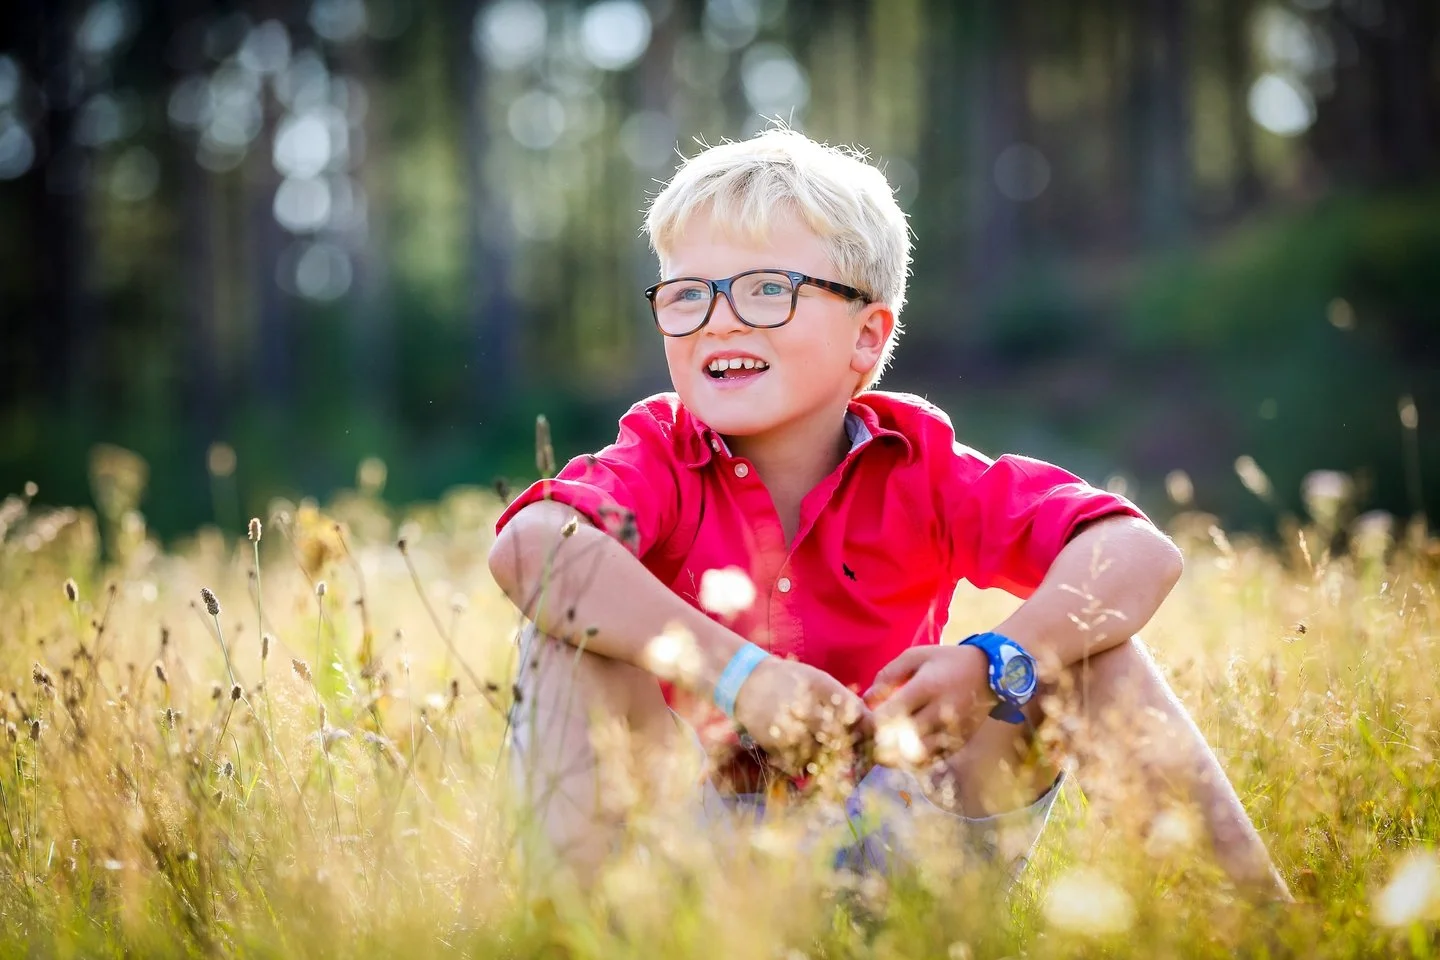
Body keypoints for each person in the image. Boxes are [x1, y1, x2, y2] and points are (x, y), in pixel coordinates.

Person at [488, 127, 1291, 900]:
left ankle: (1256, 929)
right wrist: (741, 678)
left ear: (867, 338)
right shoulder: (656, 454)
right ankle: (571, 935)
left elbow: (1137, 551)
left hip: (903, 838)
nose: (719, 319)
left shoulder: (921, 462)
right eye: (688, 294)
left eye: (768, 289)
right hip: (684, 860)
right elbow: (531, 550)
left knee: (1091, 652)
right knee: (561, 636)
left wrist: (995, 661)